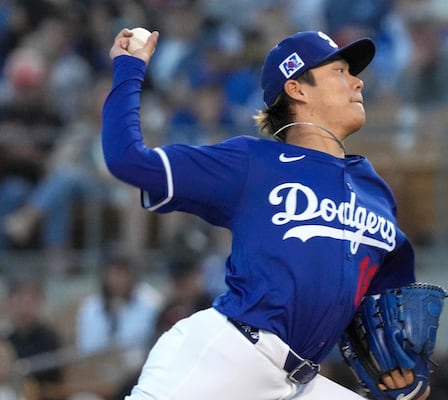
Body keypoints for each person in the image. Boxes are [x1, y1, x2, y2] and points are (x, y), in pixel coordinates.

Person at [102, 28, 428, 399]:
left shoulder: (375, 191)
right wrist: (129, 67)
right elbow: (126, 159)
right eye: (340, 71)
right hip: (228, 357)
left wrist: (402, 365)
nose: (357, 82)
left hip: (298, 382)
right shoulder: (252, 163)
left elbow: (386, 296)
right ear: (297, 89)